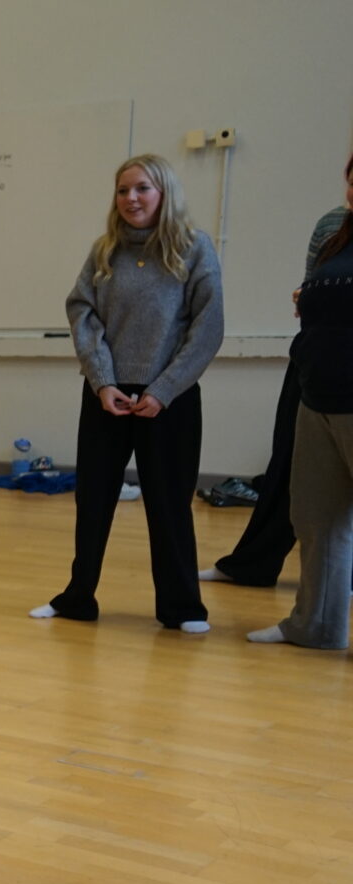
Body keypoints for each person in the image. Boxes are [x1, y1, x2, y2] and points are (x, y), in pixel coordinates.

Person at [30, 154, 223, 632]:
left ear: (164, 193)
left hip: (170, 399)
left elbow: (207, 327)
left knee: (169, 504)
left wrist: (164, 389)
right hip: (107, 396)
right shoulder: (105, 251)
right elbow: (82, 313)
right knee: (93, 500)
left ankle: (182, 608)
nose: (131, 199)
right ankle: (77, 597)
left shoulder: (194, 247)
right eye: (123, 190)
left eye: (142, 189)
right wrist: (102, 381)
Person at [205, 178, 352, 586]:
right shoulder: (332, 225)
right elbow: (310, 289)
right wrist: (305, 296)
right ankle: (253, 564)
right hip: (315, 358)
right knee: (290, 465)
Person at [249, 151, 353, 651]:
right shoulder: (337, 234)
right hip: (317, 396)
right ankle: (315, 627)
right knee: (316, 519)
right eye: (352, 180)